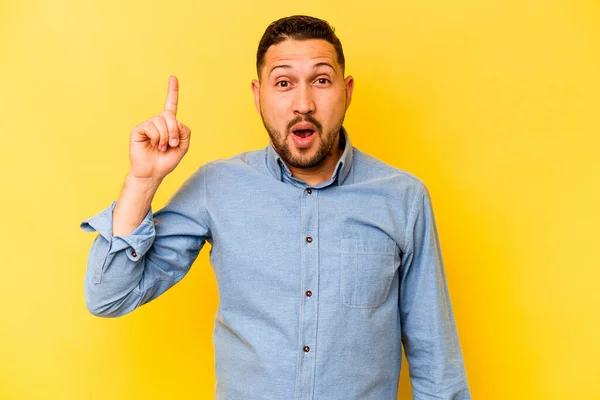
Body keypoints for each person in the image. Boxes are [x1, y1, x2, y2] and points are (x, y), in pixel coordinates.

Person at [81, 15, 471, 400]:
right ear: (258, 96)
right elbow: (109, 296)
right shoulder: (215, 188)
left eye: (321, 80)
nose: (303, 104)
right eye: (283, 83)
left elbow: (436, 363)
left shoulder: (403, 198)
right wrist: (143, 181)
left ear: (347, 91)